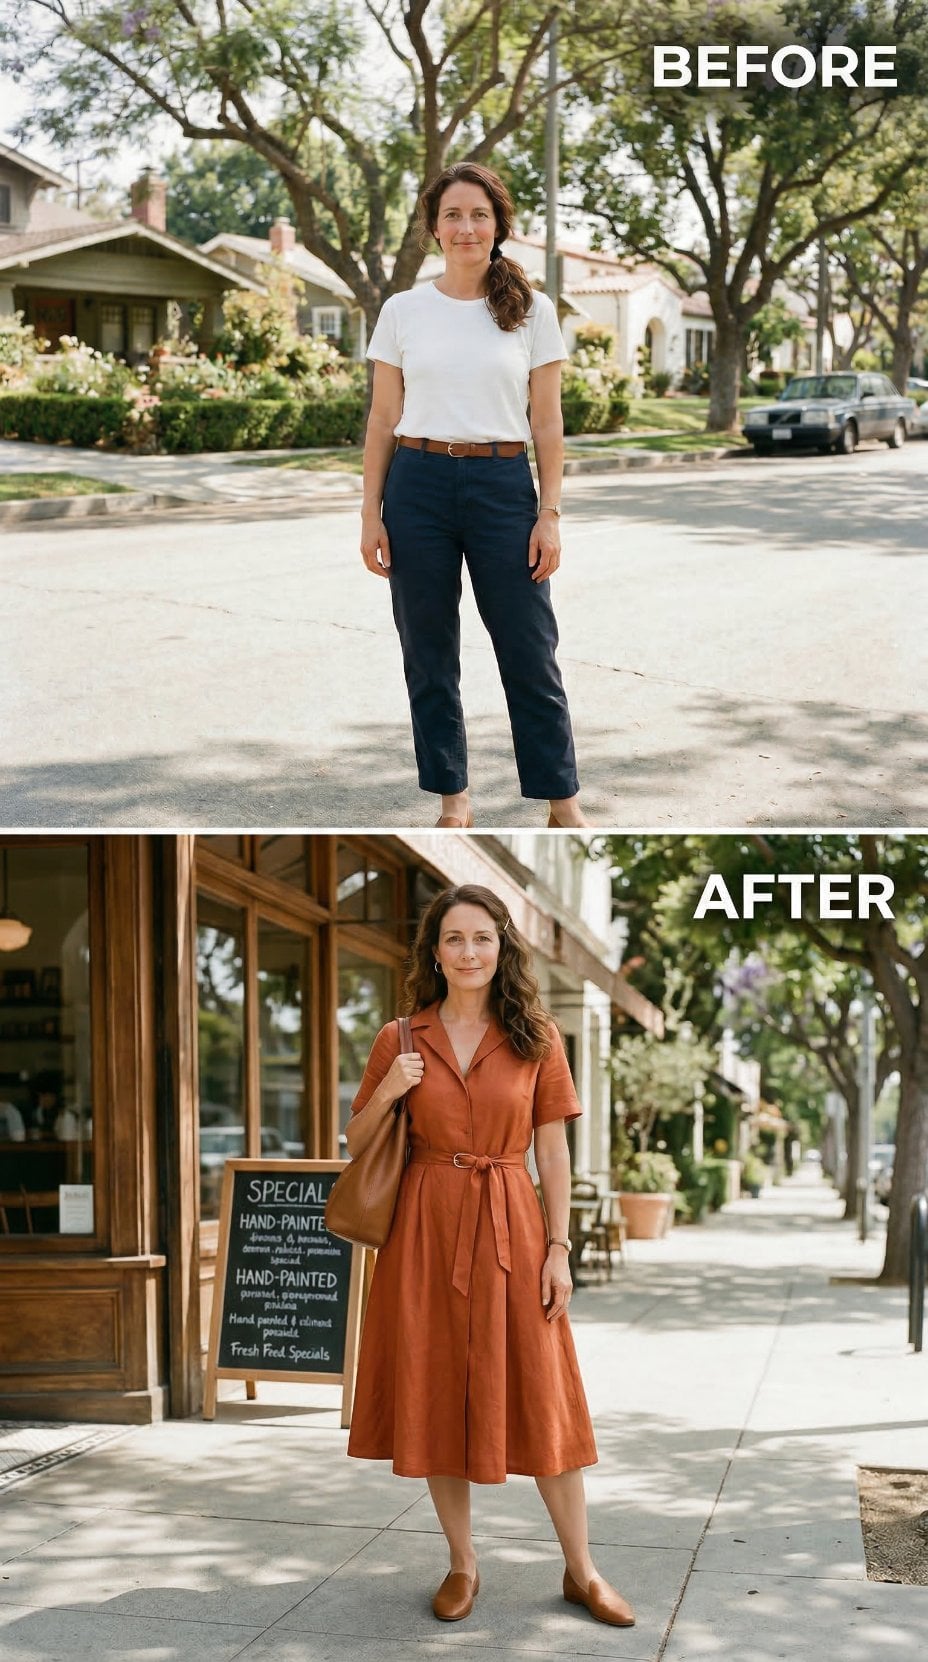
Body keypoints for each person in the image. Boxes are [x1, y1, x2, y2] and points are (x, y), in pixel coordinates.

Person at [345, 883, 634, 1628]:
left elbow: (553, 1151)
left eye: (481, 937)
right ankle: (462, 1564)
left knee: (546, 1397)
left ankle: (582, 1569)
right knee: (435, 1391)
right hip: (424, 1228)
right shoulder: (400, 1039)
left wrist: (560, 1248)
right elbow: (356, 1140)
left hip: (513, 1224)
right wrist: (390, 1093)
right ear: (434, 953)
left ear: (501, 947)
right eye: (453, 939)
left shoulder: (536, 1036)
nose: (468, 952)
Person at [360, 162, 588, 830]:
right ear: (435, 228)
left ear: (498, 227)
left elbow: (546, 421)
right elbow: (381, 419)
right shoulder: (403, 310)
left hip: (502, 487)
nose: (466, 227)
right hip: (418, 485)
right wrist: (370, 511)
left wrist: (550, 514)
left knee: (528, 648)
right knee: (428, 651)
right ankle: (453, 797)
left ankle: (561, 800)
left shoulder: (532, 311)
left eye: (479, 215)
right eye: (453, 215)